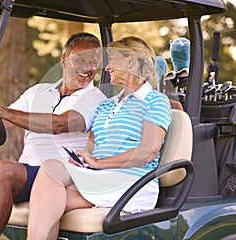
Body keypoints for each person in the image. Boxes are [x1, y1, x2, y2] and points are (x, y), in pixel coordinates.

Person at [0, 32, 106, 240]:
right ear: (64, 59)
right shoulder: (38, 91)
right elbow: (1, 125)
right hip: (24, 176)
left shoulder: (95, 98)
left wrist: (3, 110)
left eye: (93, 62)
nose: (87, 68)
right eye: (80, 60)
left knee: (5, 169)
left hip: (56, 178)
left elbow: (59, 124)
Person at [27, 36, 172, 239]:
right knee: (50, 177)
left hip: (131, 183)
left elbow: (147, 152)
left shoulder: (154, 101)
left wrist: (99, 163)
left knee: (48, 204)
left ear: (130, 61)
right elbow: (92, 145)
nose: (107, 67)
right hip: (100, 180)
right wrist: (83, 157)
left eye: (112, 59)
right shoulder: (107, 104)